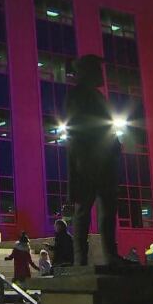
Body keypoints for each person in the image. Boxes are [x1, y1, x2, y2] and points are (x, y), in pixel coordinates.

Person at [65, 54, 122, 266]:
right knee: (84, 209)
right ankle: (80, 259)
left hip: (104, 159)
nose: (101, 74)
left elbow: (109, 125)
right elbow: (77, 127)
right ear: (88, 72)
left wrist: (114, 144)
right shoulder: (77, 95)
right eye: (97, 69)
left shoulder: (99, 97)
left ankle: (110, 254)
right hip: (87, 159)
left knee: (108, 208)